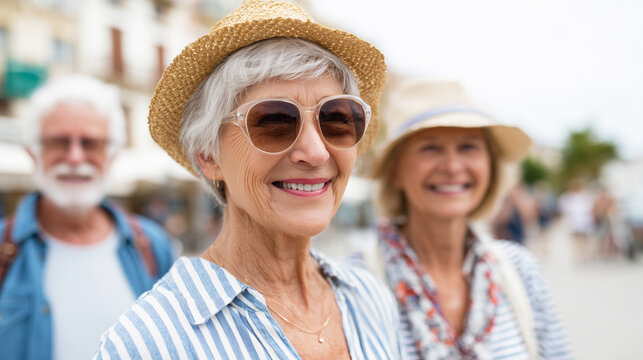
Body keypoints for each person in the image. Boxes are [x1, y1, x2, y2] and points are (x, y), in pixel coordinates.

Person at [94, 1, 404, 359]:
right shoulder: (148, 344)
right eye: (274, 121)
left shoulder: (371, 298)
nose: (316, 152)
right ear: (209, 157)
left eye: (335, 118)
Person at [372, 80, 572, 359]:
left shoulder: (519, 270)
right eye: (430, 148)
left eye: (468, 147)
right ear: (395, 172)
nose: (453, 167)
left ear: (490, 166)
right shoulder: (358, 282)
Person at [0, 75, 175, 360]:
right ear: (33, 153)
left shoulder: (152, 245)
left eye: (91, 143)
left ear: (112, 155)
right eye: (59, 142)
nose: (75, 157)